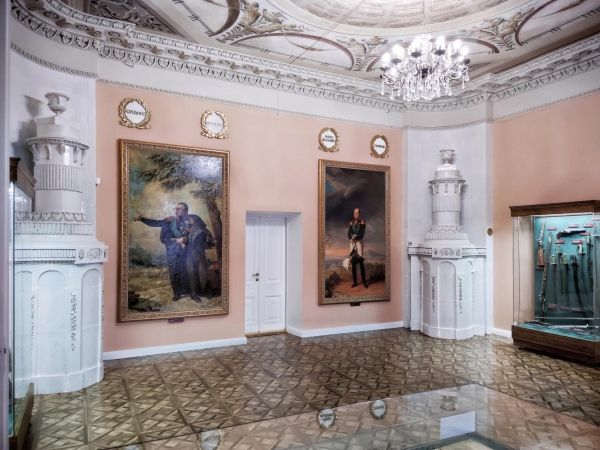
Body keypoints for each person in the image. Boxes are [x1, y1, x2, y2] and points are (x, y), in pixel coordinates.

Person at [133, 202, 212, 302]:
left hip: (188, 251)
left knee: (191, 271)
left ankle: (193, 294)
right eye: (176, 208)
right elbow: (156, 223)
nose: (177, 210)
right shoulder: (170, 220)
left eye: (179, 209)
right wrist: (142, 219)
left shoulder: (192, 219)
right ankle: (177, 293)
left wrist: (185, 239)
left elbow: (200, 232)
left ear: (185, 211)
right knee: (174, 272)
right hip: (174, 251)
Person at [348, 208, 368, 289]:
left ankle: (364, 282)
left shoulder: (362, 222)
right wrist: (350, 238)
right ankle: (355, 282)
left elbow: (361, 234)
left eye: (357, 213)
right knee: (353, 263)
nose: (356, 214)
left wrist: (354, 238)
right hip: (352, 243)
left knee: (361, 263)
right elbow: (349, 233)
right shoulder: (351, 223)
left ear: (359, 214)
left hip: (359, 242)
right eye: (354, 213)